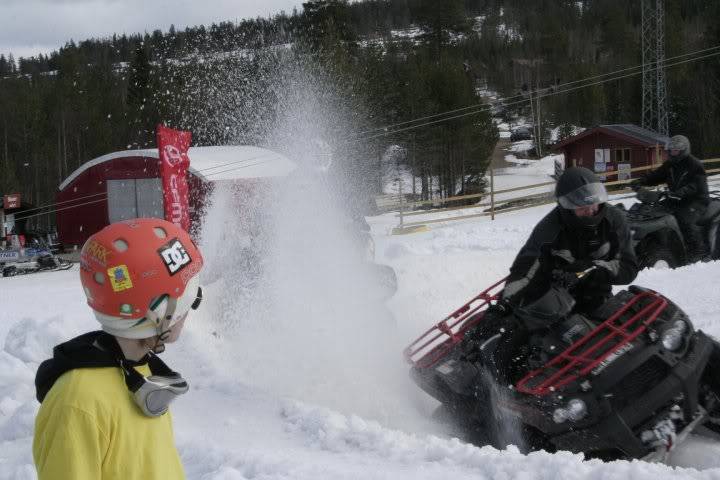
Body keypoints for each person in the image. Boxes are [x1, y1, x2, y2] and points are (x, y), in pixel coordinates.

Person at [33, 218, 204, 480]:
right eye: (186, 303)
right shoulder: (79, 402)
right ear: (157, 313)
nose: (189, 312)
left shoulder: (141, 372)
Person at [463, 167, 639, 378]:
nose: (591, 210)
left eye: (594, 203)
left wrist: (595, 269)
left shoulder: (614, 220)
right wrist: (505, 303)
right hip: (555, 300)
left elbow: (628, 267)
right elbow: (525, 270)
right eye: (583, 207)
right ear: (567, 206)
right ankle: (501, 384)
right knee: (519, 343)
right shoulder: (549, 230)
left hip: (597, 295)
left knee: (624, 341)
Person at [631, 134, 710, 260]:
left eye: (676, 150)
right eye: (671, 150)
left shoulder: (694, 164)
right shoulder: (670, 164)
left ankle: (698, 252)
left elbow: (696, 185)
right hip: (675, 199)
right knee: (655, 213)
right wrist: (641, 181)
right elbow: (656, 175)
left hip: (696, 200)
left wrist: (681, 192)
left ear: (684, 150)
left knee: (685, 220)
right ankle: (661, 244)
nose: (673, 152)